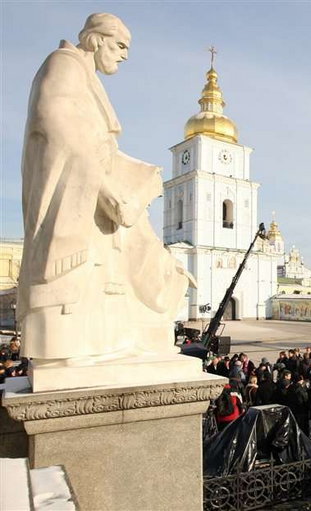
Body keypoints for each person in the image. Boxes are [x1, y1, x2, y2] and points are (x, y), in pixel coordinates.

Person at [18, 13, 195, 363]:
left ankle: (104, 345)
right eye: (120, 46)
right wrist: (105, 189)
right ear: (96, 39)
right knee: (83, 281)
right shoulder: (64, 65)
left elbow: (98, 148)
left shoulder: (83, 77)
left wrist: (139, 176)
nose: (125, 55)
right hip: (78, 197)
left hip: (93, 196)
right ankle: (72, 351)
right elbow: (58, 127)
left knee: (118, 273)